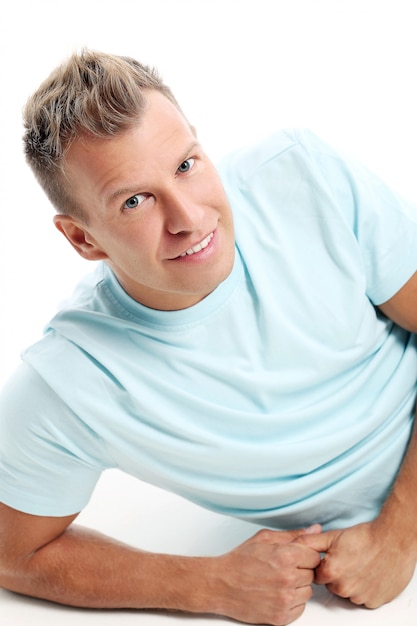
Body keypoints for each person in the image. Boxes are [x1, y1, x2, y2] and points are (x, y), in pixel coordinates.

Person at [0, 49, 416, 626]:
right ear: (81, 238)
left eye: (186, 165)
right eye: (135, 200)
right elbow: (14, 553)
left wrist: (400, 531)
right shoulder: (69, 383)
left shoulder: (302, 175)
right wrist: (207, 584)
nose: (190, 218)